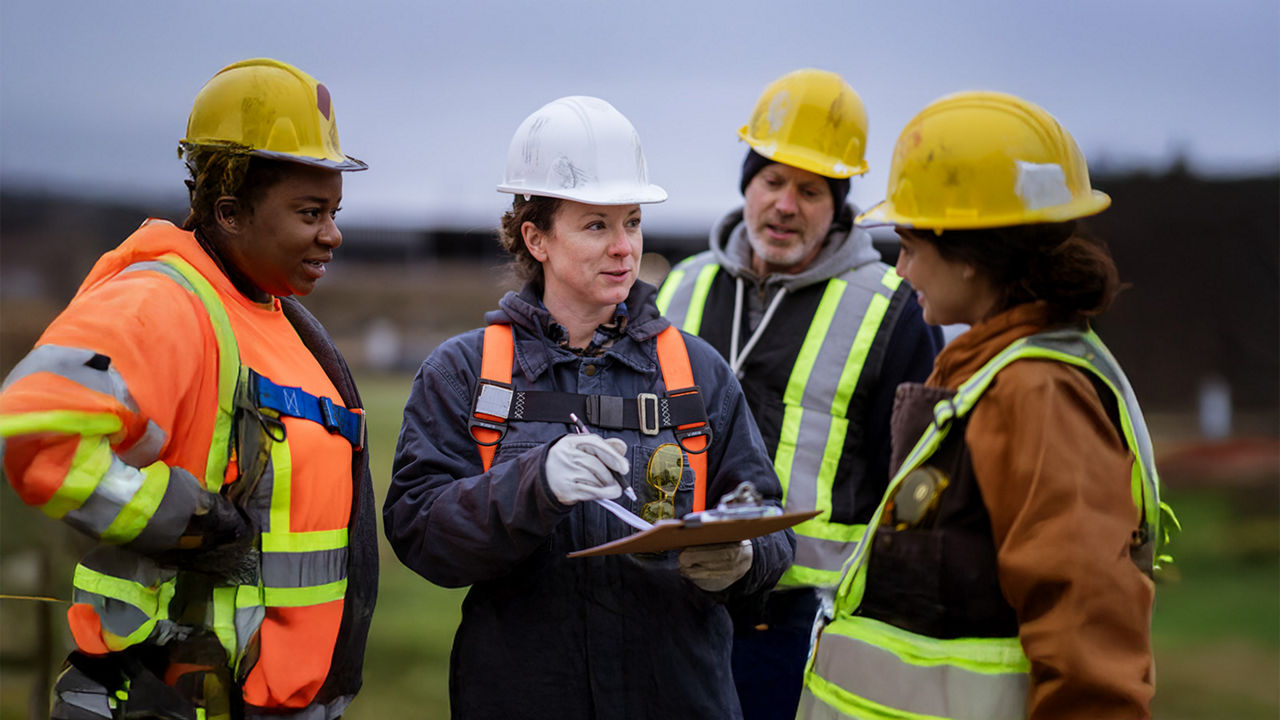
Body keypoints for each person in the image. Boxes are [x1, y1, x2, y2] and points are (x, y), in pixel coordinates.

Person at [383, 95, 795, 719]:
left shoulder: (696, 371)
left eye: (631, 221)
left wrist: (741, 559)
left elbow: (771, 522)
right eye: (596, 225)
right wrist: (534, 483)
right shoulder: (467, 373)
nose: (624, 248)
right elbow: (419, 532)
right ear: (536, 238)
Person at [0, 58, 377, 720]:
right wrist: (172, 515)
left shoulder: (276, 318)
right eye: (310, 212)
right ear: (229, 212)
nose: (332, 234)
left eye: (335, 212)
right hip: (167, 701)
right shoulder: (164, 301)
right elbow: (36, 427)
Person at [797, 91, 1177, 719]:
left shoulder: (1038, 394)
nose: (900, 271)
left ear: (971, 256)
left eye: (911, 247)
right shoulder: (992, 370)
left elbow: (1087, 633)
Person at [656, 68, 943, 717]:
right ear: (748, 184)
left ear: (839, 201)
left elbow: (914, 492)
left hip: (804, 626)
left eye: (811, 190)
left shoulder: (893, 310)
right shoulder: (678, 289)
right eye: (773, 181)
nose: (786, 205)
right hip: (673, 607)